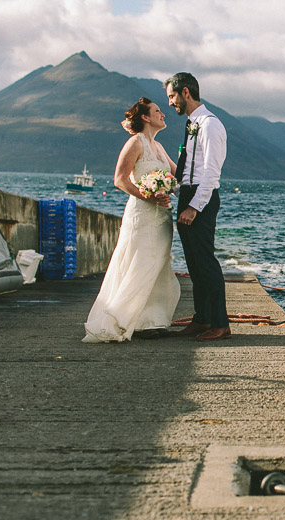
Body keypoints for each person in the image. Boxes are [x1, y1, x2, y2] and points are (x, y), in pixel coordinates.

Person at [82, 98, 181, 343]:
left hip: (162, 216)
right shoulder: (134, 143)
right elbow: (120, 179)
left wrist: (168, 189)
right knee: (140, 262)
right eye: (158, 111)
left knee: (158, 264)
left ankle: (151, 321)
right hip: (143, 213)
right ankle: (123, 318)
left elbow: (177, 175)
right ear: (146, 117)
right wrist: (148, 196)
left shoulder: (158, 146)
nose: (163, 114)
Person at [164, 72, 231, 341]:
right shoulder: (193, 123)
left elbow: (211, 174)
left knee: (206, 262)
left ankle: (220, 324)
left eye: (172, 96)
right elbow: (189, 168)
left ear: (186, 93)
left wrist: (194, 206)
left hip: (201, 199)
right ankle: (202, 319)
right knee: (193, 264)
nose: (170, 103)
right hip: (188, 194)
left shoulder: (210, 125)